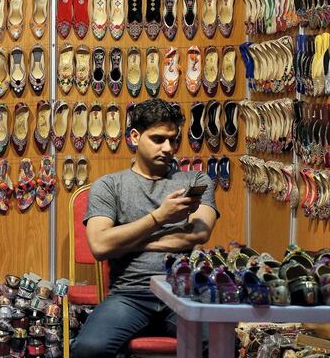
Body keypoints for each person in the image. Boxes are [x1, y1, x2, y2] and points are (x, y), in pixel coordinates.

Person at [71, 98, 220, 358]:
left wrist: (128, 242)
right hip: (130, 295)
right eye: (158, 139)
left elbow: (199, 233)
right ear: (135, 136)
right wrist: (160, 217)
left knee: (221, 344)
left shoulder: (195, 179)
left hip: (182, 293)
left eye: (174, 140)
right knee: (87, 350)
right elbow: (100, 245)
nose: (169, 148)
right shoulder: (109, 186)